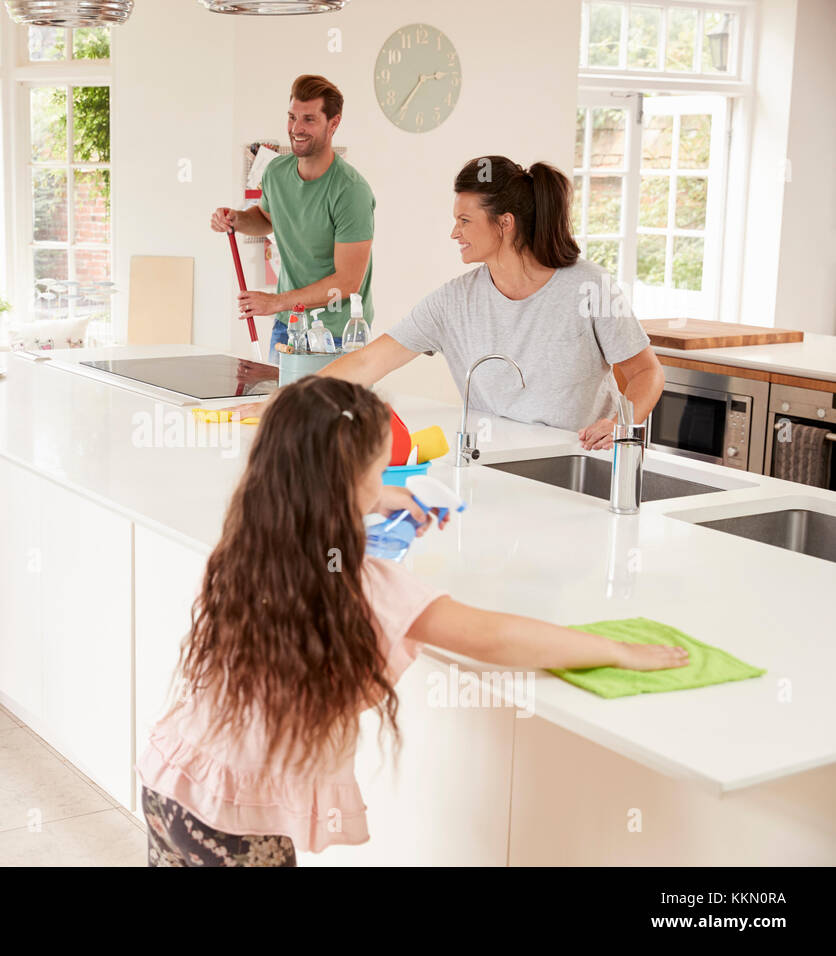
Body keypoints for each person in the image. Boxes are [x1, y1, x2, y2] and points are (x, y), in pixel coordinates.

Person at [136, 376, 688, 866]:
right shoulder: (367, 586)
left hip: (171, 782)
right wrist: (612, 649)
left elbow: (310, 496)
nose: (384, 482)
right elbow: (493, 638)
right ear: (348, 482)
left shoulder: (245, 547)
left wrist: (373, 500)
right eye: (379, 471)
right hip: (237, 827)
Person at [314, 156, 664, 451]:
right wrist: (295, 403)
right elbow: (367, 362)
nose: (454, 232)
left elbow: (646, 372)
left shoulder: (590, 286)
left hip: (580, 458)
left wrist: (620, 425)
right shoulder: (454, 301)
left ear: (505, 224)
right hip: (497, 458)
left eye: (464, 221)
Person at [210, 74, 375, 362]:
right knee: (279, 407)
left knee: (331, 410)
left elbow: (347, 282)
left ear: (333, 123)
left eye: (309, 119)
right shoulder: (276, 173)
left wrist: (275, 302)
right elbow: (266, 218)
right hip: (289, 327)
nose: (296, 128)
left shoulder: (351, 191)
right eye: (291, 117)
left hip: (339, 335)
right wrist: (236, 218)